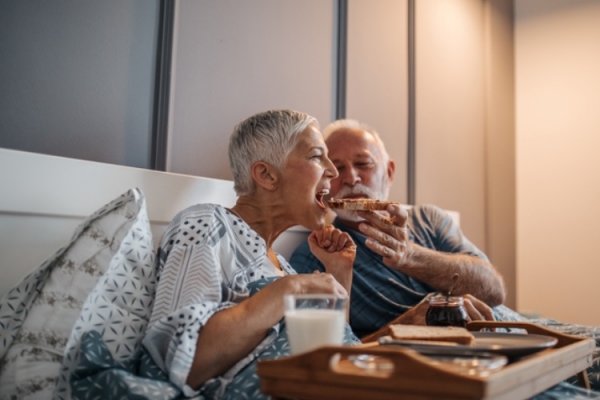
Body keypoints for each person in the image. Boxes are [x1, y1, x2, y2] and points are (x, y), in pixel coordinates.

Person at [142, 110, 359, 399]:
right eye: (317, 156)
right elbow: (187, 361)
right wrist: (291, 289)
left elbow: (332, 352)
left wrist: (339, 273)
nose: (332, 171)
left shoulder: (282, 267)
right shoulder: (206, 223)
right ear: (267, 175)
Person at [290, 119, 506, 341]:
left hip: (515, 332)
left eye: (363, 164)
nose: (351, 178)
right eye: (337, 169)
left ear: (389, 173)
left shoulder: (428, 219)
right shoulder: (317, 255)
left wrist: (410, 255)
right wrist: (408, 324)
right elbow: (326, 350)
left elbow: (494, 290)